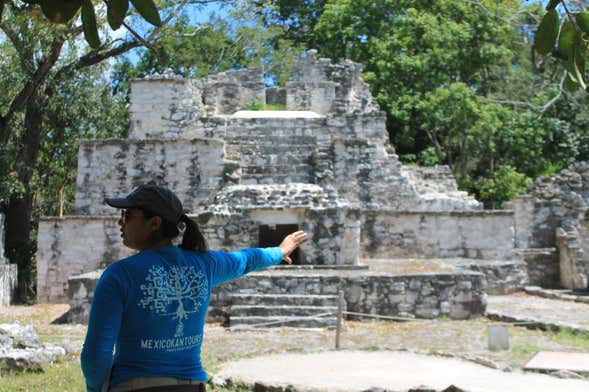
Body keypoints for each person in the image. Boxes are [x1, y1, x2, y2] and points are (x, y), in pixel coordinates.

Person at [80, 182, 307, 392]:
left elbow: (95, 355)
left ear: (154, 223)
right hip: (191, 386)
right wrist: (279, 251)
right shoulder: (204, 265)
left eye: (127, 215)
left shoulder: (120, 275)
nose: (121, 222)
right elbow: (245, 260)